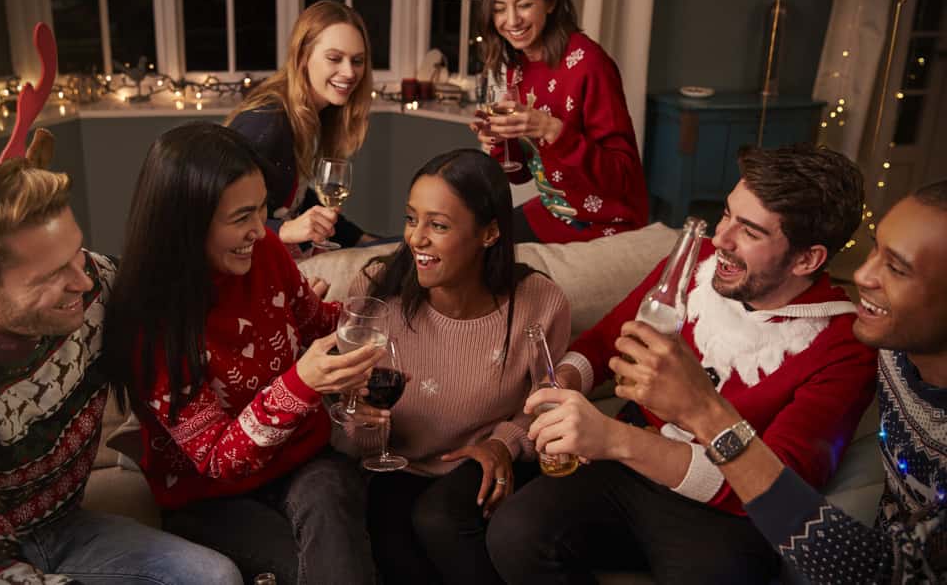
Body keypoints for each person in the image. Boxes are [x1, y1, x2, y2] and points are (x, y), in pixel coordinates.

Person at [486, 144, 878, 583]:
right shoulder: (696, 267)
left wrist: (612, 437)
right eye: (726, 214)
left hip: (727, 515)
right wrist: (561, 383)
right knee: (513, 533)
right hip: (629, 469)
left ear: (808, 259)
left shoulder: (847, 348)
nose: (721, 240)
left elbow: (779, 486)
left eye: (748, 231)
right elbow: (606, 340)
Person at [610, 179, 947, 583]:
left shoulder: (849, 343)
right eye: (874, 249)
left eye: (896, 267)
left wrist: (703, 410)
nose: (860, 275)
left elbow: (876, 573)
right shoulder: (893, 349)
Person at [0, 146, 242, 583]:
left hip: (66, 527)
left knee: (214, 577)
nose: (83, 281)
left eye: (77, 252)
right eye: (49, 276)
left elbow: (182, 290)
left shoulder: (95, 287)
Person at [101, 123, 380, 583]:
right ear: (187, 223)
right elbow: (217, 461)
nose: (262, 230)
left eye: (263, 210)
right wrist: (301, 384)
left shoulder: (267, 252)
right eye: (241, 217)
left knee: (335, 519)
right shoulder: (152, 322)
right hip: (209, 496)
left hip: (305, 463)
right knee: (306, 570)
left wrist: (386, 317)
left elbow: (316, 321)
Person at [340, 149, 571, 584]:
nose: (416, 239)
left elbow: (548, 404)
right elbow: (356, 429)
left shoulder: (539, 302)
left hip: (484, 467)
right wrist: (364, 417)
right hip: (397, 471)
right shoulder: (374, 294)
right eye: (412, 219)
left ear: (489, 233)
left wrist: (504, 443)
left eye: (438, 225)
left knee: (440, 519)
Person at [470, 0, 648, 244]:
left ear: (550, 2)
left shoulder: (590, 64)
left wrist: (551, 129)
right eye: (500, 9)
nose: (511, 20)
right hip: (556, 211)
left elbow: (622, 177)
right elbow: (521, 176)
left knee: (485, 261)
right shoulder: (520, 69)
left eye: (524, 4)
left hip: (604, 223)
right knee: (470, 243)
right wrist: (501, 140)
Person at [226, 0, 378, 251]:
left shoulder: (312, 113)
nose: (350, 72)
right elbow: (215, 212)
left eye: (358, 60)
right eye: (334, 58)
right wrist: (284, 230)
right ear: (303, 56)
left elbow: (298, 199)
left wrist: (361, 240)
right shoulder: (267, 122)